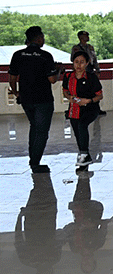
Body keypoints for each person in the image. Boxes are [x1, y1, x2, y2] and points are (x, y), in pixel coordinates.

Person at [9, 26, 62, 173]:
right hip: (43, 99)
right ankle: (35, 162)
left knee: (34, 127)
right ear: (38, 39)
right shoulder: (45, 56)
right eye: (42, 37)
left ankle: (33, 158)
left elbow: (12, 78)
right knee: (42, 131)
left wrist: (16, 93)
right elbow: (52, 80)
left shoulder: (17, 55)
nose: (43, 40)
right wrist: (58, 70)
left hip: (26, 99)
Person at [62, 51, 103, 170]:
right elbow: (65, 90)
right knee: (78, 133)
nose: (78, 65)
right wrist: (69, 97)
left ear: (87, 63)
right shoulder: (68, 76)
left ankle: (84, 154)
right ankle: (85, 157)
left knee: (82, 125)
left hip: (90, 108)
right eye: (76, 62)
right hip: (74, 109)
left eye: (82, 62)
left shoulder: (91, 77)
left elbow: (100, 96)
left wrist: (88, 101)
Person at [71, 30, 106, 115]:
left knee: (95, 90)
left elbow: (94, 59)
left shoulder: (90, 47)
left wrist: (97, 70)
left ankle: (96, 108)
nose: (88, 37)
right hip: (81, 70)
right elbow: (73, 59)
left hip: (90, 70)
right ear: (80, 38)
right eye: (86, 36)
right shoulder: (76, 48)